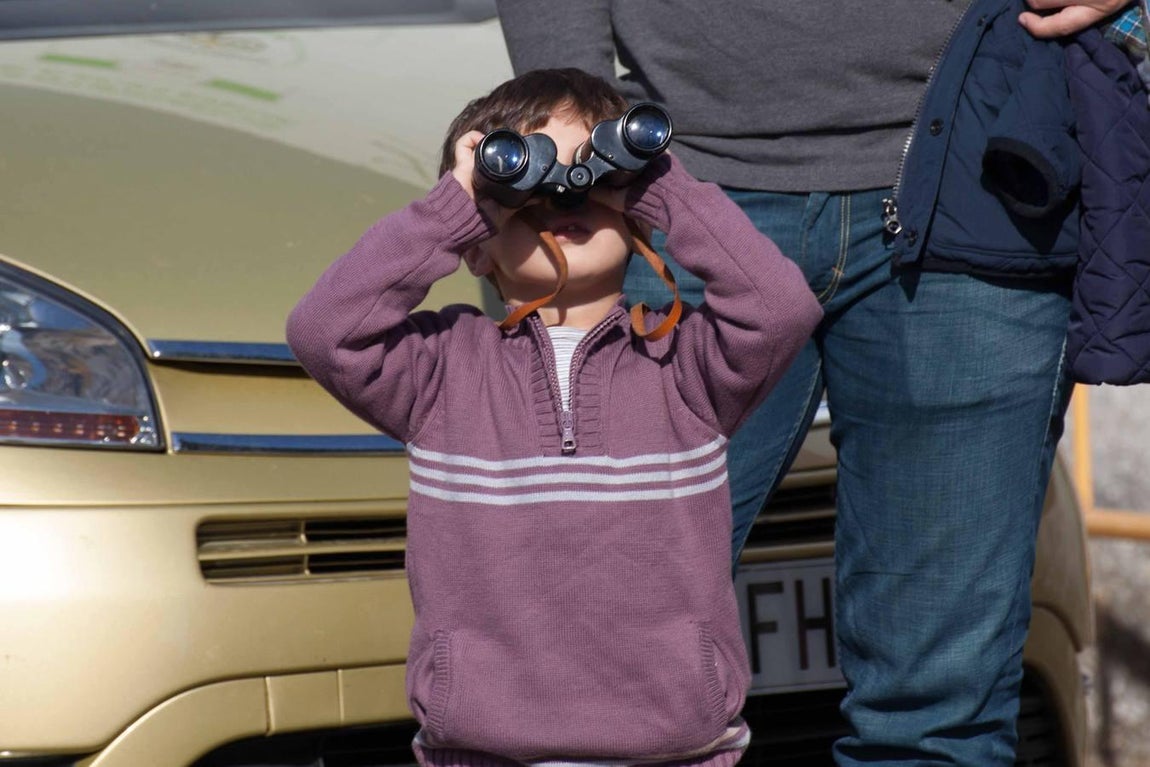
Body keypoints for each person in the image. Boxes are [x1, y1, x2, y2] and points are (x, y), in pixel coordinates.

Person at [494, 0, 1131, 764]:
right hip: (673, 194)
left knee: (938, 719)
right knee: (593, 669)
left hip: (977, 173)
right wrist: (577, 127)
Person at [286, 68, 822, 767]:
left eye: (595, 181)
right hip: (483, 751)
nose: (565, 198)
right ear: (478, 243)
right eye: (529, 189)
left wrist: (661, 188)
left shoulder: (683, 363)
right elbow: (324, 330)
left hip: (675, 751)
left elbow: (781, 309)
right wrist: (457, 206)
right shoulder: (444, 370)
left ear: (635, 222)